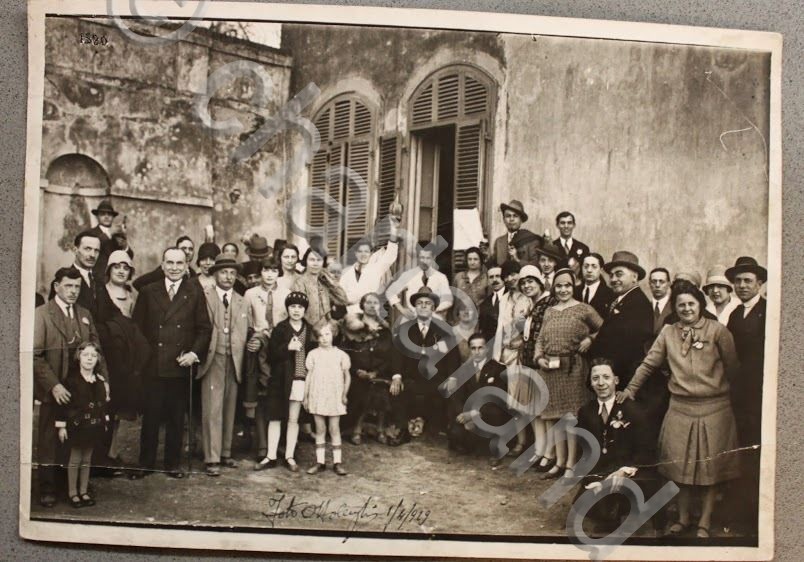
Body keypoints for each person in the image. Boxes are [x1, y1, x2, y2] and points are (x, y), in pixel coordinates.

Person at [618, 283, 741, 538]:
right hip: (680, 408)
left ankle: (704, 522)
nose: (686, 309)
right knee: (679, 466)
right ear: (675, 307)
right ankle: (683, 519)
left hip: (715, 408)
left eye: (691, 304)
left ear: (700, 305)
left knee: (711, 469)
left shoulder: (718, 331)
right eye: (681, 304)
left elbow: (733, 368)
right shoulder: (667, 332)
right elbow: (648, 364)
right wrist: (629, 390)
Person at [129, 247, 212, 479]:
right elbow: (137, 328)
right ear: (162, 265)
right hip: (153, 366)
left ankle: (172, 464)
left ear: (186, 266)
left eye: (179, 263)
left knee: (176, 418)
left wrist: (193, 354)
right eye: (170, 263)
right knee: (151, 418)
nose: (174, 268)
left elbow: (204, 329)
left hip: (179, 365)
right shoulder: (148, 291)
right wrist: (147, 356)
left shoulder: (194, 292)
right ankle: (145, 463)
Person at [34, 267, 106, 507]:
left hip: (81, 391)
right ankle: (47, 487)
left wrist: (103, 381)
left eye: (77, 287)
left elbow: (96, 350)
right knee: (49, 439)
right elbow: (35, 355)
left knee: (77, 438)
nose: (73, 291)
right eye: (68, 286)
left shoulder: (84, 314)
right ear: (57, 287)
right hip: (54, 390)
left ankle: (72, 487)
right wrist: (54, 386)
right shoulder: (42, 314)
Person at [533, 268, 603, 479]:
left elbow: (604, 328)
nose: (563, 290)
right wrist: (539, 358)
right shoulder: (549, 311)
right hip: (550, 369)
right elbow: (540, 339)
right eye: (559, 286)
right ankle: (559, 461)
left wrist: (590, 339)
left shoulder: (584, 309)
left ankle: (571, 463)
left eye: (567, 285)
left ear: (574, 287)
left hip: (573, 368)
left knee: (570, 418)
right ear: (554, 288)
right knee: (554, 418)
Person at [574, 358, 658, 532]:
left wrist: (623, 471)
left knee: (614, 508)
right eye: (595, 378)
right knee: (582, 505)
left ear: (616, 380)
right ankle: (609, 509)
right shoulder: (586, 411)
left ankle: (622, 510)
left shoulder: (633, 411)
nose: (601, 383)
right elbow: (583, 451)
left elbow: (646, 450)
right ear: (590, 382)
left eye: (606, 377)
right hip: (601, 471)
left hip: (627, 471)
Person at [198, 256, 263, 477]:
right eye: (224, 272)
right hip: (212, 357)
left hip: (235, 359)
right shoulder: (204, 296)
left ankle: (225, 452)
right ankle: (211, 457)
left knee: (229, 408)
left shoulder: (242, 300)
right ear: (215, 274)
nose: (228, 277)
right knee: (212, 409)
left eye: (233, 273)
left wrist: (254, 339)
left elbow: (250, 328)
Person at [94, 251, 150, 474]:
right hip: (107, 356)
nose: (120, 270)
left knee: (118, 410)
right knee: (103, 406)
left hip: (127, 360)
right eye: (116, 266)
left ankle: (112, 453)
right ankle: (98, 457)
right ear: (109, 270)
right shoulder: (100, 293)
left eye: (125, 267)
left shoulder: (132, 295)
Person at [726, 256, 767, 531]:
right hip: (738, 395)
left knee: (756, 453)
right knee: (740, 451)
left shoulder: (767, 312)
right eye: (738, 281)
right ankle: (740, 513)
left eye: (747, 281)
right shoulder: (735, 314)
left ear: (760, 284)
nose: (742, 285)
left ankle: (756, 516)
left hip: (758, 395)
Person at [256, 292, 316, 472]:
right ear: (287, 308)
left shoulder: (309, 329)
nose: (296, 310)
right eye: (293, 307)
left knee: (293, 419)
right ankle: (271, 455)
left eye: (300, 307)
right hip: (280, 380)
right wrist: (287, 348)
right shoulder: (281, 328)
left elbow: (311, 354)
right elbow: (272, 355)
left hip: (299, 379)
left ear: (305, 310)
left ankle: (289, 455)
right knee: (275, 417)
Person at [390, 286, 461, 437]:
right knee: (398, 390)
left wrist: (453, 377)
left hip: (436, 377)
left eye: (427, 303)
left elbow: (453, 355)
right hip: (411, 377)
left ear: (433, 308)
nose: (423, 306)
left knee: (445, 394)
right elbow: (396, 354)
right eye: (419, 303)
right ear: (415, 307)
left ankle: (435, 426)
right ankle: (404, 425)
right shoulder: (404, 329)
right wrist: (396, 376)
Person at [244, 257, 288, 461]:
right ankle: (262, 444)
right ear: (260, 272)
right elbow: (246, 322)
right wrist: (256, 337)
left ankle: (280, 444)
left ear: (279, 273)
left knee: (279, 392)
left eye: (274, 270)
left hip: (279, 346)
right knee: (261, 392)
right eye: (266, 270)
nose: (269, 274)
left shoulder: (286, 293)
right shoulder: (250, 294)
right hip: (259, 346)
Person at [56, 342, 111, 508]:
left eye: (93, 356)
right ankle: (73, 493)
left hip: (92, 427)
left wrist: (105, 421)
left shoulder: (100, 381)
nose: (89, 359)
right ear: (79, 357)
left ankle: (84, 491)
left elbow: (103, 404)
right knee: (75, 459)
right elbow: (63, 406)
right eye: (86, 355)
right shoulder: (71, 381)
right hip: (76, 427)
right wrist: (62, 426)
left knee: (87, 459)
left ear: (98, 360)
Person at [590, 251, 653, 389]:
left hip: (621, 377)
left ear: (634, 277)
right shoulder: (620, 300)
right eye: (611, 275)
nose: (613, 279)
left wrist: (610, 373)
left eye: (619, 274)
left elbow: (628, 347)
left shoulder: (638, 304)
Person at [341, 293, 396, 445]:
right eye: (369, 302)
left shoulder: (384, 330)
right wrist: (357, 371)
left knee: (380, 388)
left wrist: (376, 372)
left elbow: (389, 355)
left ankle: (380, 428)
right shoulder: (352, 327)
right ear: (362, 305)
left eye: (375, 303)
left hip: (379, 373)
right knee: (363, 390)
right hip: (356, 374)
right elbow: (346, 353)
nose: (372, 306)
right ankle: (357, 428)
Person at [510, 264, 551, 459]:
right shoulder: (532, 305)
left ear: (540, 283)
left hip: (540, 363)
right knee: (534, 410)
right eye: (524, 283)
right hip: (528, 362)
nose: (527, 286)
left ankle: (545, 452)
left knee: (543, 410)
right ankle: (538, 451)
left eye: (531, 282)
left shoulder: (548, 303)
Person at [444, 332, 507, 461]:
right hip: (468, 414)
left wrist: (474, 414)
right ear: (469, 350)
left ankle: (491, 446)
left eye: (480, 348)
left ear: (487, 349)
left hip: (487, 415)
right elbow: (456, 396)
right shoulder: (464, 370)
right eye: (473, 348)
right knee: (455, 433)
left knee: (496, 413)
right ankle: (470, 443)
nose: (477, 352)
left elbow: (497, 399)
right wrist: (464, 415)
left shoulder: (498, 368)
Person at [304, 320, 352, 476]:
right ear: (316, 337)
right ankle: (320, 462)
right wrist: (305, 396)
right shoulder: (313, 354)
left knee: (334, 428)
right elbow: (309, 376)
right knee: (320, 429)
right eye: (320, 335)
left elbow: (347, 376)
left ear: (333, 334)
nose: (324, 338)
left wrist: (344, 394)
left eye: (327, 334)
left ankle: (337, 462)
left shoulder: (341, 355)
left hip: (334, 396)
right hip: (317, 395)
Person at [341, 219, 400, 313]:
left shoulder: (375, 269)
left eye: (366, 252)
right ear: (355, 253)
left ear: (371, 253)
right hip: (350, 316)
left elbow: (391, 254)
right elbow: (341, 296)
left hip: (371, 314)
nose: (363, 254)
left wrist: (394, 229)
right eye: (360, 251)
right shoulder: (347, 273)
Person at [386, 245, 453, 321]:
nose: (424, 261)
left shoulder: (441, 277)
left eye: (427, 258)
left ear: (433, 258)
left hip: (433, 318)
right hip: (413, 318)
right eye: (422, 258)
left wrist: (431, 309)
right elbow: (390, 292)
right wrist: (402, 310)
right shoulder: (409, 275)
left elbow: (448, 300)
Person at [292, 243, 349, 326]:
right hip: (307, 328)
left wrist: (329, 280)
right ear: (306, 261)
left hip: (326, 329)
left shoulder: (324, 281)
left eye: (319, 260)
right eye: (312, 260)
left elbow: (343, 300)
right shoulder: (299, 283)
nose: (315, 264)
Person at [49, 230, 102, 319]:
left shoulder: (100, 280)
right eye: (88, 249)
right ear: (75, 250)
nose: (93, 255)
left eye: (96, 250)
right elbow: (56, 318)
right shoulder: (62, 280)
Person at [491, 261, 531, 367]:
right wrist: (497, 355)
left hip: (523, 353)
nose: (509, 279)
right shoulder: (504, 299)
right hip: (507, 353)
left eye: (513, 274)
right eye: (506, 276)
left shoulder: (528, 297)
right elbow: (500, 328)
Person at [87, 200, 134, 279]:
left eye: (109, 214)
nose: (106, 216)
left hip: (113, 278)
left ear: (113, 217)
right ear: (97, 216)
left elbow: (128, 257)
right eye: (102, 214)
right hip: (96, 277)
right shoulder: (90, 233)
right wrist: (109, 233)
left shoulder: (117, 235)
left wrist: (125, 246)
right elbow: (93, 246)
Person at [132, 235, 197, 290]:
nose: (187, 252)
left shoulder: (193, 274)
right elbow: (138, 283)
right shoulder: (165, 270)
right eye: (184, 248)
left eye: (190, 249)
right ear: (176, 250)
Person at [491, 200, 542, 266]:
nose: (511, 219)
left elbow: (537, 265)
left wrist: (517, 260)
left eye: (515, 216)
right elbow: (493, 265)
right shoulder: (499, 241)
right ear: (504, 219)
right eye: (508, 216)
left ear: (521, 220)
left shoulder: (531, 240)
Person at [451, 246, 490, 323]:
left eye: (475, 259)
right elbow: (453, 299)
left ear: (480, 261)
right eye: (470, 259)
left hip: (479, 320)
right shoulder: (459, 277)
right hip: (460, 319)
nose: (472, 262)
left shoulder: (486, 278)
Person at [575, 253, 614, 319]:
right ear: (581, 268)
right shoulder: (575, 291)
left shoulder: (610, 294)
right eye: (586, 266)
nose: (589, 270)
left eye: (594, 266)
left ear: (601, 270)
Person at [477, 265, 505, 341]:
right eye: (491, 277)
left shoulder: (512, 297)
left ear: (504, 277)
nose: (494, 280)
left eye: (498, 276)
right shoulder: (484, 304)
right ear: (488, 281)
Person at [648, 267, 673, 335]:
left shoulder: (675, 308)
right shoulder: (644, 307)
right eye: (654, 281)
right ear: (649, 284)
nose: (657, 285)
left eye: (661, 281)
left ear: (669, 284)